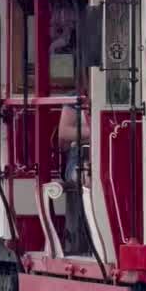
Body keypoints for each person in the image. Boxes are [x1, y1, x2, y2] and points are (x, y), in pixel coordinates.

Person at [58, 99, 90, 254]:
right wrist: (95, 129)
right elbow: (64, 132)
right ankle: (79, 241)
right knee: (85, 176)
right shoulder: (75, 98)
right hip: (80, 157)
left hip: (111, 154)